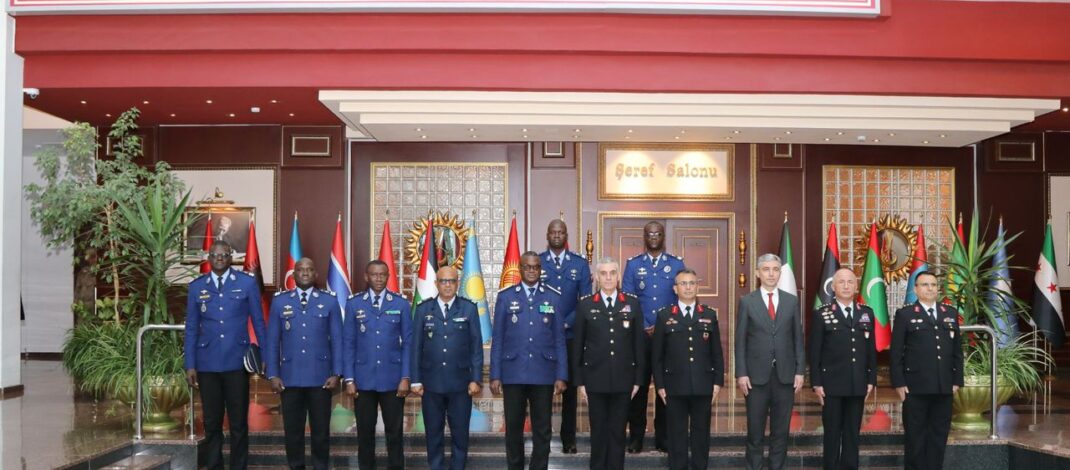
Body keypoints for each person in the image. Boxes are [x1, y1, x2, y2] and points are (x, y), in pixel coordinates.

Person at [184, 241, 267, 470]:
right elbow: (191, 327)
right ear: (208, 258)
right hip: (207, 363)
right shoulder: (196, 287)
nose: (219, 258)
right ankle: (214, 465)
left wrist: (266, 355)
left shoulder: (246, 283)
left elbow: (259, 323)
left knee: (239, 423)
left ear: (231, 257)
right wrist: (190, 364)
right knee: (211, 423)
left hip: (236, 362)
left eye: (224, 255)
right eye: (215, 255)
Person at [490, 251, 568, 470]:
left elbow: (560, 340)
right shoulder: (506, 296)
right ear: (520, 269)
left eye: (536, 267)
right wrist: (495, 374)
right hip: (513, 372)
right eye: (527, 267)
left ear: (540, 269)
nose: (532, 270)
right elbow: (498, 339)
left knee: (542, 430)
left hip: (543, 373)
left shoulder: (553, 297)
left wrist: (561, 375)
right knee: (513, 428)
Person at [263, 257, 343, 470]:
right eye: (301, 270)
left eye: (309, 269)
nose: (305, 273)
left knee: (320, 432)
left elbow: (337, 340)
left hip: (321, 378)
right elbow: (272, 342)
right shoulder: (280, 301)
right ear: (294, 274)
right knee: (293, 432)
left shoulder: (329, 301)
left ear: (316, 274)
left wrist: (337, 372)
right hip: (289, 378)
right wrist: (273, 374)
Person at [572, 257, 644, 470]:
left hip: (624, 381)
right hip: (595, 381)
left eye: (613, 272)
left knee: (618, 433)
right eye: (604, 273)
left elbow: (638, 345)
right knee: (599, 433)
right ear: (596, 277)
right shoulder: (586, 305)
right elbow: (578, 347)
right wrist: (580, 382)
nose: (609, 277)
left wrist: (638, 380)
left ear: (619, 276)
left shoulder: (631, 304)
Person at [735, 253, 804, 470]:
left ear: (780, 272)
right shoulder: (747, 302)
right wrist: (741, 373)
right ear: (757, 273)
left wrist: (800, 371)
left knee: (780, 431)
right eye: (766, 269)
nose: (771, 273)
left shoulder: (791, 301)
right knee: (755, 431)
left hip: (785, 376)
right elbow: (740, 341)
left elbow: (797, 339)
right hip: (755, 377)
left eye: (775, 269)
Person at [410, 266, 484, 470]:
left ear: (457, 284)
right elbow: (415, 347)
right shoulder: (424, 309)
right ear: (436, 284)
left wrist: (475, 379)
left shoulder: (468, 309)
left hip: (461, 384)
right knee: (433, 434)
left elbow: (476, 347)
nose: (448, 285)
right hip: (431, 384)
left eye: (452, 281)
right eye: (444, 281)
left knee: (460, 435)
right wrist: (415, 380)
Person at [621, 221, 685, 453]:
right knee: (637, 386)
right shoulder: (633, 265)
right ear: (644, 237)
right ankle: (636, 436)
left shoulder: (676, 264)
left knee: (665, 387)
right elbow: (628, 299)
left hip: (668, 336)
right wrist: (645, 326)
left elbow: (682, 297)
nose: (654, 237)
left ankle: (663, 436)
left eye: (658, 233)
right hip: (639, 336)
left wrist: (661, 326)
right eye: (650, 234)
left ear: (663, 236)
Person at [651, 269, 724, 470]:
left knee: (701, 436)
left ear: (697, 287)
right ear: (675, 289)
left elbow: (717, 352)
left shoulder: (708, 315)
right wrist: (660, 385)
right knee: (676, 437)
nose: (688, 287)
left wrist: (717, 382)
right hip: (674, 387)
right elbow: (657, 356)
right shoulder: (665, 316)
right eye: (683, 283)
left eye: (692, 283)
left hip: (703, 386)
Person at [890, 271, 963, 470]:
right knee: (915, 437)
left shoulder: (950, 313)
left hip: (943, 386)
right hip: (915, 387)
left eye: (933, 284)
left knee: (939, 437)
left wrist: (956, 380)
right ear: (916, 289)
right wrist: (899, 382)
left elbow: (957, 350)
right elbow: (896, 352)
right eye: (924, 285)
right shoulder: (905, 314)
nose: (930, 288)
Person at [344, 260, 413, 470]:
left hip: (393, 379)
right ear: (366, 276)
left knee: (395, 434)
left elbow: (408, 343)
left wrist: (405, 377)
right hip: (363, 379)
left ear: (388, 275)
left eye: (382, 274)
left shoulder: (400, 303)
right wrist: (349, 378)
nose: (378, 278)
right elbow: (349, 343)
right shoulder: (354, 303)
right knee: (365, 433)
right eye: (374, 274)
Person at [808, 268, 877, 470]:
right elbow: (815, 352)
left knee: (852, 433)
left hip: (858, 384)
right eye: (841, 282)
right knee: (832, 433)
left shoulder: (867, 313)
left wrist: (871, 379)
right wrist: (816, 383)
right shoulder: (823, 314)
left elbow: (870, 350)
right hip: (832, 385)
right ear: (833, 286)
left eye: (850, 282)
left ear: (856, 286)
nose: (846, 286)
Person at [538, 219, 592, 454]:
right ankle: (544, 439)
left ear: (566, 234)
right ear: (548, 235)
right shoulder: (537, 262)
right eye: (553, 232)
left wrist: (565, 322)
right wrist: (550, 321)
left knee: (569, 390)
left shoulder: (579, 264)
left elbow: (586, 301)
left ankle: (568, 438)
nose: (557, 235)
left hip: (571, 337)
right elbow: (534, 296)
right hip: (543, 335)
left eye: (561, 232)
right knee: (542, 390)